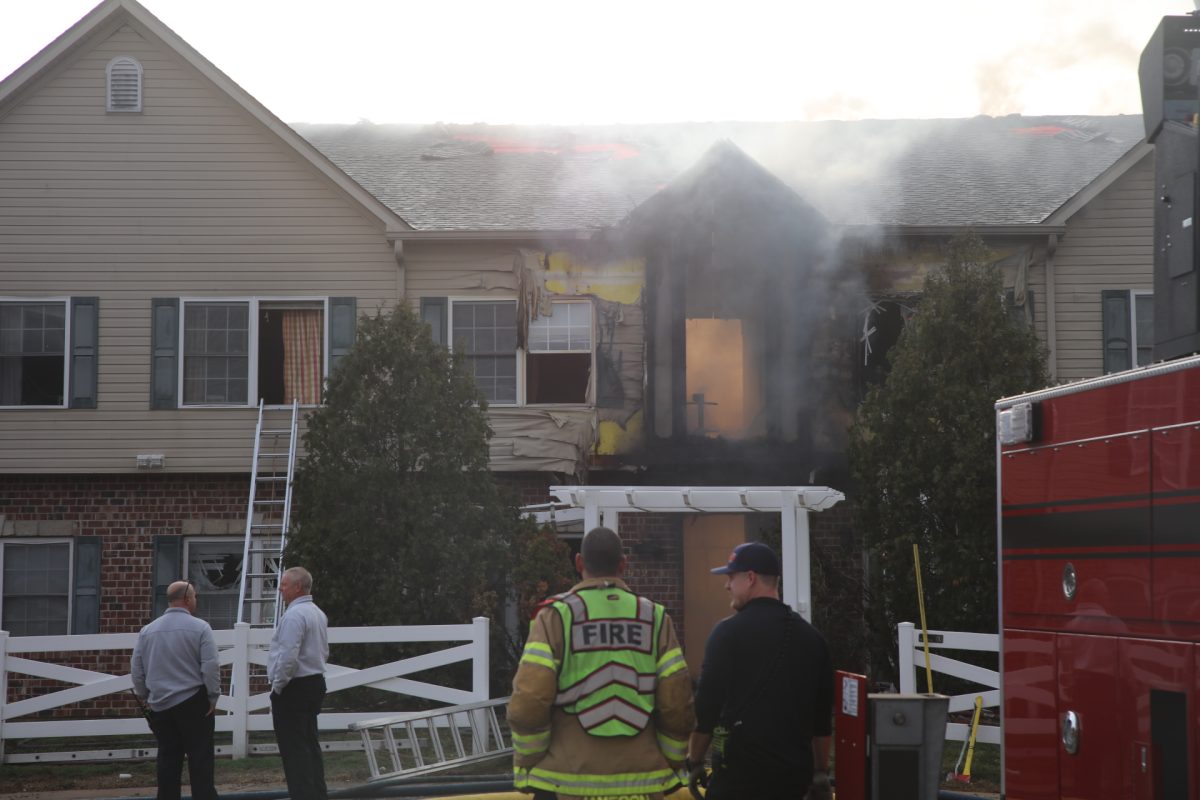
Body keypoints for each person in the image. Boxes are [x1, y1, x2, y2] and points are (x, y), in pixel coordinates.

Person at [508, 526, 695, 800]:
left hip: (567, 783)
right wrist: (671, 760)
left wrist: (531, 762)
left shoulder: (555, 616)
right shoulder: (654, 618)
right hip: (642, 782)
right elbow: (676, 702)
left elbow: (530, 699)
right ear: (623, 564)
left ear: (579, 562)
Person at [686, 542, 834, 800]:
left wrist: (695, 760)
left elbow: (707, 706)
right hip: (792, 781)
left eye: (731, 577)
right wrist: (820, 771)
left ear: (750, 578)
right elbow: (821, 719)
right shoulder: (812, 639)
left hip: (736, 779)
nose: (727, 585)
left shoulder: (726, 634)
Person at [130, 580, 221, 800]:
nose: (196, 600)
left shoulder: (147, 631)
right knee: (200, 759)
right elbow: (210, 667)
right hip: (193, 701)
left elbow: (137, 669)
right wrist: (213, 696)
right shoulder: (201, 628)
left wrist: (145, 696)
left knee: (168, 759)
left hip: (160, 704)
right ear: (187, 599)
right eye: (195, 596)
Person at [268, 566, 329, 800]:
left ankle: (303, 795)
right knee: (309, 743)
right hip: (314, 682)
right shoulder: (317, 613)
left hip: (295, 686)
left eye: (284, 585)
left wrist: (278, 685)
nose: (280, 589)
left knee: (294, 749)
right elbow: (323, 651)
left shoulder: (294, 615)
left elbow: (288, 656)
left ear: (297, 587)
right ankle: (317, 794)